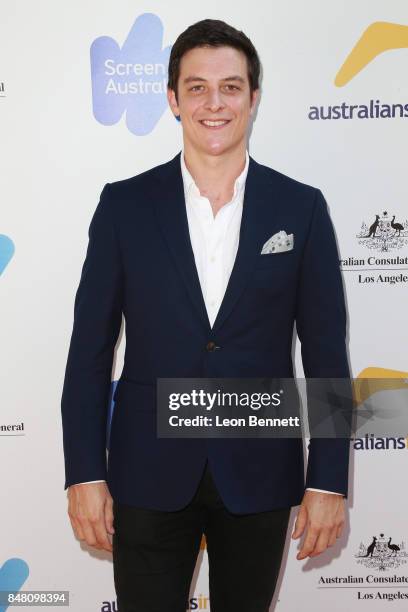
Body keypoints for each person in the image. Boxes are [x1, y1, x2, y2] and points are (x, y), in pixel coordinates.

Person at [61, 18, 350, 612]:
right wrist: (84, 474)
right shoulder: (124, 205)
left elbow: (327, 355)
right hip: (147, 468)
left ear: (253, 97)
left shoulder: (302, 207)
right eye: (196, 87)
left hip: (259, 466)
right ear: (172, 99)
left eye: (230, 87)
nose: (213, 103)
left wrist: (328, 481)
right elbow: (88, 354)